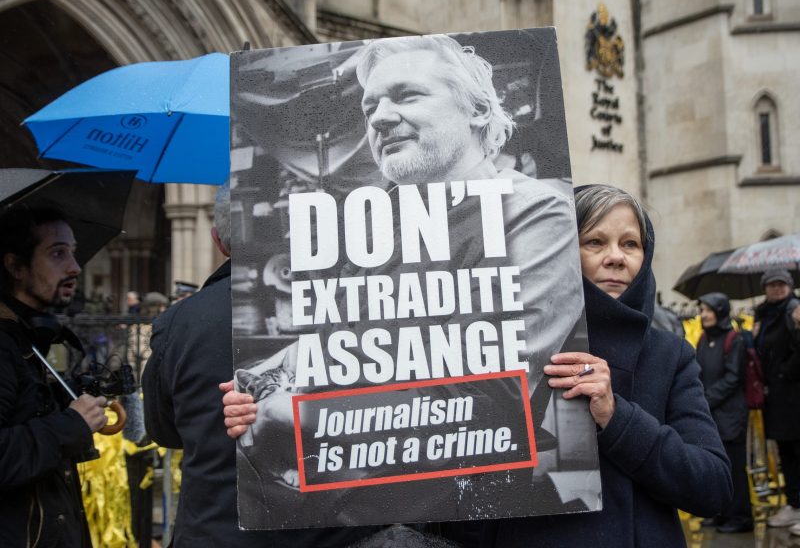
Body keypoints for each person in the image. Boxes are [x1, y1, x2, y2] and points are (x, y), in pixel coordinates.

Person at [224, 184, 733, 546]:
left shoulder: (668, 354)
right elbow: (395, 445)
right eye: (594, 242)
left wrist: (615, 415)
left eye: (631, 244)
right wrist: (259, 414)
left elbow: (711, 486)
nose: (616, 257)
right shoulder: (484, 338)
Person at [226, 34, 585, 528]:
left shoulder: (534, 211)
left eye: (407, 95)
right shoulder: (378, 222)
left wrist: (302, 414)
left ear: (477, 111)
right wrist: (253, 385)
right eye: (371, 104)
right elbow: (331, 346)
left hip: (449, 521)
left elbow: (484, 397)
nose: (378, 117)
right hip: (339, 513)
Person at [142, 184, 377, 547]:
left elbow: (164, 430)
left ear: (218, 240)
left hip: (218, 533)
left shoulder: (180, 323)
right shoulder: (366, 308)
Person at [0, 206, 108, 548]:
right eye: (57, 253)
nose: (75, 267)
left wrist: (65, 405)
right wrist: (70, 426)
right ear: (15, 266)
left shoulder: (26, 337)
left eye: (73, 253)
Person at [694, 292, 752, 533]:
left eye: (708, 310)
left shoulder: (734, 339)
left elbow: (733, 377)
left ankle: (740, 518)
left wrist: (706, 399)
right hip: (712, 413)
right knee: (716, 465)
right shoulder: (702, 339)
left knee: (734, 467)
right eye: (702, 310)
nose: (703, 315)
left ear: (720, 311)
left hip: (731, 415)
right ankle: (720, 513)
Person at [753, 269, 800, 530]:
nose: (777, 288)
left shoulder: (794, 309)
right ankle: (794, 505)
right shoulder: (763, 314)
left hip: (794, 393)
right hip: (778, 397)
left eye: (782, 284)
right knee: (785, 451)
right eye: (772, 284)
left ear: (790, 286)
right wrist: (753, 333)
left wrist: (786, 371)